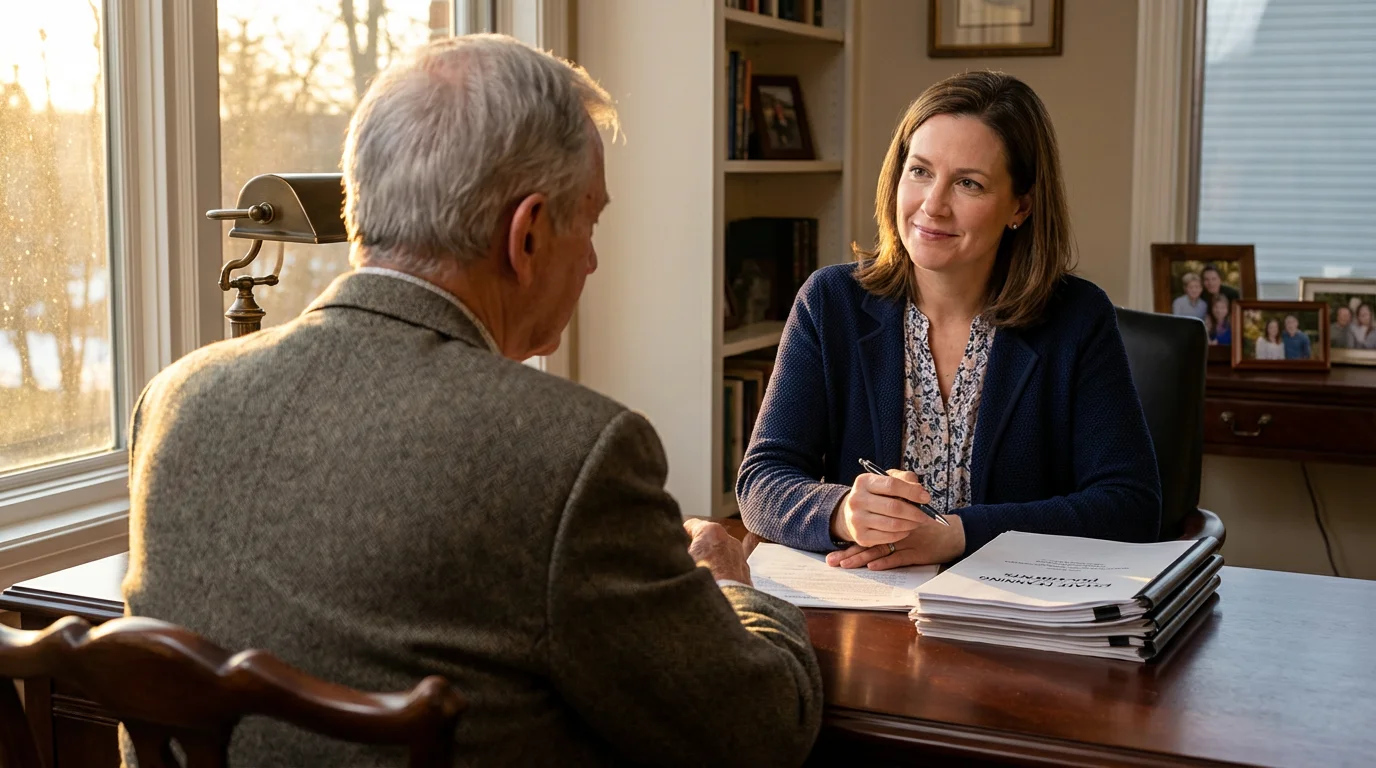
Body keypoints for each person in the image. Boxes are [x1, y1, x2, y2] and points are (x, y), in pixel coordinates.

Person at [124, 35, 821, 767]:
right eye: (589, 221)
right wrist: (736, 593)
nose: (590, 258)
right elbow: (757, 733)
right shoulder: (571, 454)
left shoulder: (174, 402)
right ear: (525, 236)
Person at [736, 71, 1161, 570]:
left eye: (968, 183)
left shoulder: (1077, 319)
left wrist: (960, 534)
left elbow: (1131, 505)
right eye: (919, 171)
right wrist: (842, 513)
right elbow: (762, 479)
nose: (932, 206)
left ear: (1019, 206)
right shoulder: (830, 302)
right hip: (867, 610)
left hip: (1012, 617)